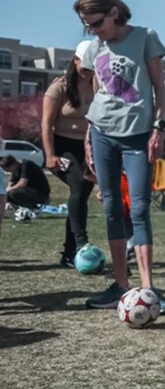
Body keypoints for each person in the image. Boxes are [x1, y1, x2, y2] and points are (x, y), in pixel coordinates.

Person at [75, 0, 165, 312]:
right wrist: (90, 134)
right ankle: (120, 284)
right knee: (111, 208)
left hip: (138, 135)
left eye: (97, 23)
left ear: (114, 12)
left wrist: (159, 127)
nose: (93, 30)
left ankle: (148, 291)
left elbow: (159, 86)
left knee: (141, 209)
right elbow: (96, 88)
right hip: (102, 132)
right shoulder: (93, 47)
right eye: (87, 26)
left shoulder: (146, 37)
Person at [41, 41, 97, 267]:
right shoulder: (60, 87)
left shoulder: (97, 84)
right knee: (80, 185)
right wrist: (50, 155)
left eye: (93, 68)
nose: (88, 73)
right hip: (63, 145)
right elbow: (46, 123)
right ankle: (82, 244)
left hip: (88, 146)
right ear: (75, 61)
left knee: (81, 195)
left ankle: (69, 253)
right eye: (85, 68)